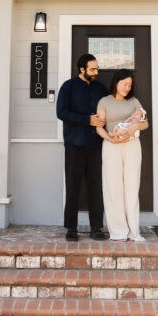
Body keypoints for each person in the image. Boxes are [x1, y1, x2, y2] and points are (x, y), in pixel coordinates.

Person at [56, 53, 109, 241]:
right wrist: (87, 120)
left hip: (96, 144)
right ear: (82, 69)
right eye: (92, 69)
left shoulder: (100, 88)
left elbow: (109, 109)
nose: (96, 72)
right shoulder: (68, 87)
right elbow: (61, 112)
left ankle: (96, 228)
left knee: (96, 186)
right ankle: (71, 228)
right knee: (73, 185)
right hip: (74, 144)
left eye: (97, 68)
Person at [94, 69, 149, 242]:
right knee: (113, 187)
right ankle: (118, 231)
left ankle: (133, 231)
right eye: (124, 84)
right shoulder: (104, 101)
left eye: (130, 85)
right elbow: (98, 127)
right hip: (111, 146)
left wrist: (133, 127)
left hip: (132, 146)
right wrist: (110, 139)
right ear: (116, 83)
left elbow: (145, 123)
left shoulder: (133, 101)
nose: (127, 87)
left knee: (132, 186)